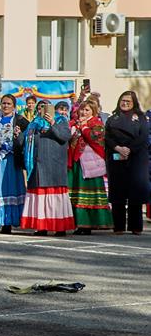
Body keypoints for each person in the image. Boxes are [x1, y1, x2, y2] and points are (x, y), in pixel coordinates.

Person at [20, 102, 75, 236]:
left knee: (56, 199)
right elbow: (24, 142)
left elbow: (65, 136)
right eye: (40, 108)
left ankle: (60, 228)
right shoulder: (33, 123)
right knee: (40, 199)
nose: (42, 110)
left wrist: (52, 123)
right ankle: (41, 227)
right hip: (37, 166)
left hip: (54, 166)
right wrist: (18, 135)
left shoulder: (61, 120)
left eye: (45, 107)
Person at [105, 91, 149, 235]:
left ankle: (135, 226)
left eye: (128, 101)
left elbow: (143, 137)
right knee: (118, 192)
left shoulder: (141, 118)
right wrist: (118, 148)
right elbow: (107, 137)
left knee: (135, 193)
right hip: (116, 157)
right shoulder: (112, 119)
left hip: (136, 158)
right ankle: (118, 226)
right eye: (123, 100)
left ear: (133, 103)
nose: (125, 103)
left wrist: (129, 150)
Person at [67, 99, 112, 234]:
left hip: (90, 164)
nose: (84, 112)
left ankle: (89, 224)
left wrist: (84, 127)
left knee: (90, 193)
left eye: (87, 110)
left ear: (93, 111)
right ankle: (79, 223)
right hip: (76, 162)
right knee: (75, 192)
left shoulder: (97, 123)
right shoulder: (74, 123)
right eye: (82, 109)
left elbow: (94, 138)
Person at [0, 95, 29, 234]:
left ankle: (8, 222)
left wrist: (18, 139)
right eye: (3, 103)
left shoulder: (21, 121)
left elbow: (27, 139)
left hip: (12, 160)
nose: (5, 106)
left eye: (8, 103)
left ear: (14, 106)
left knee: (10, 189)